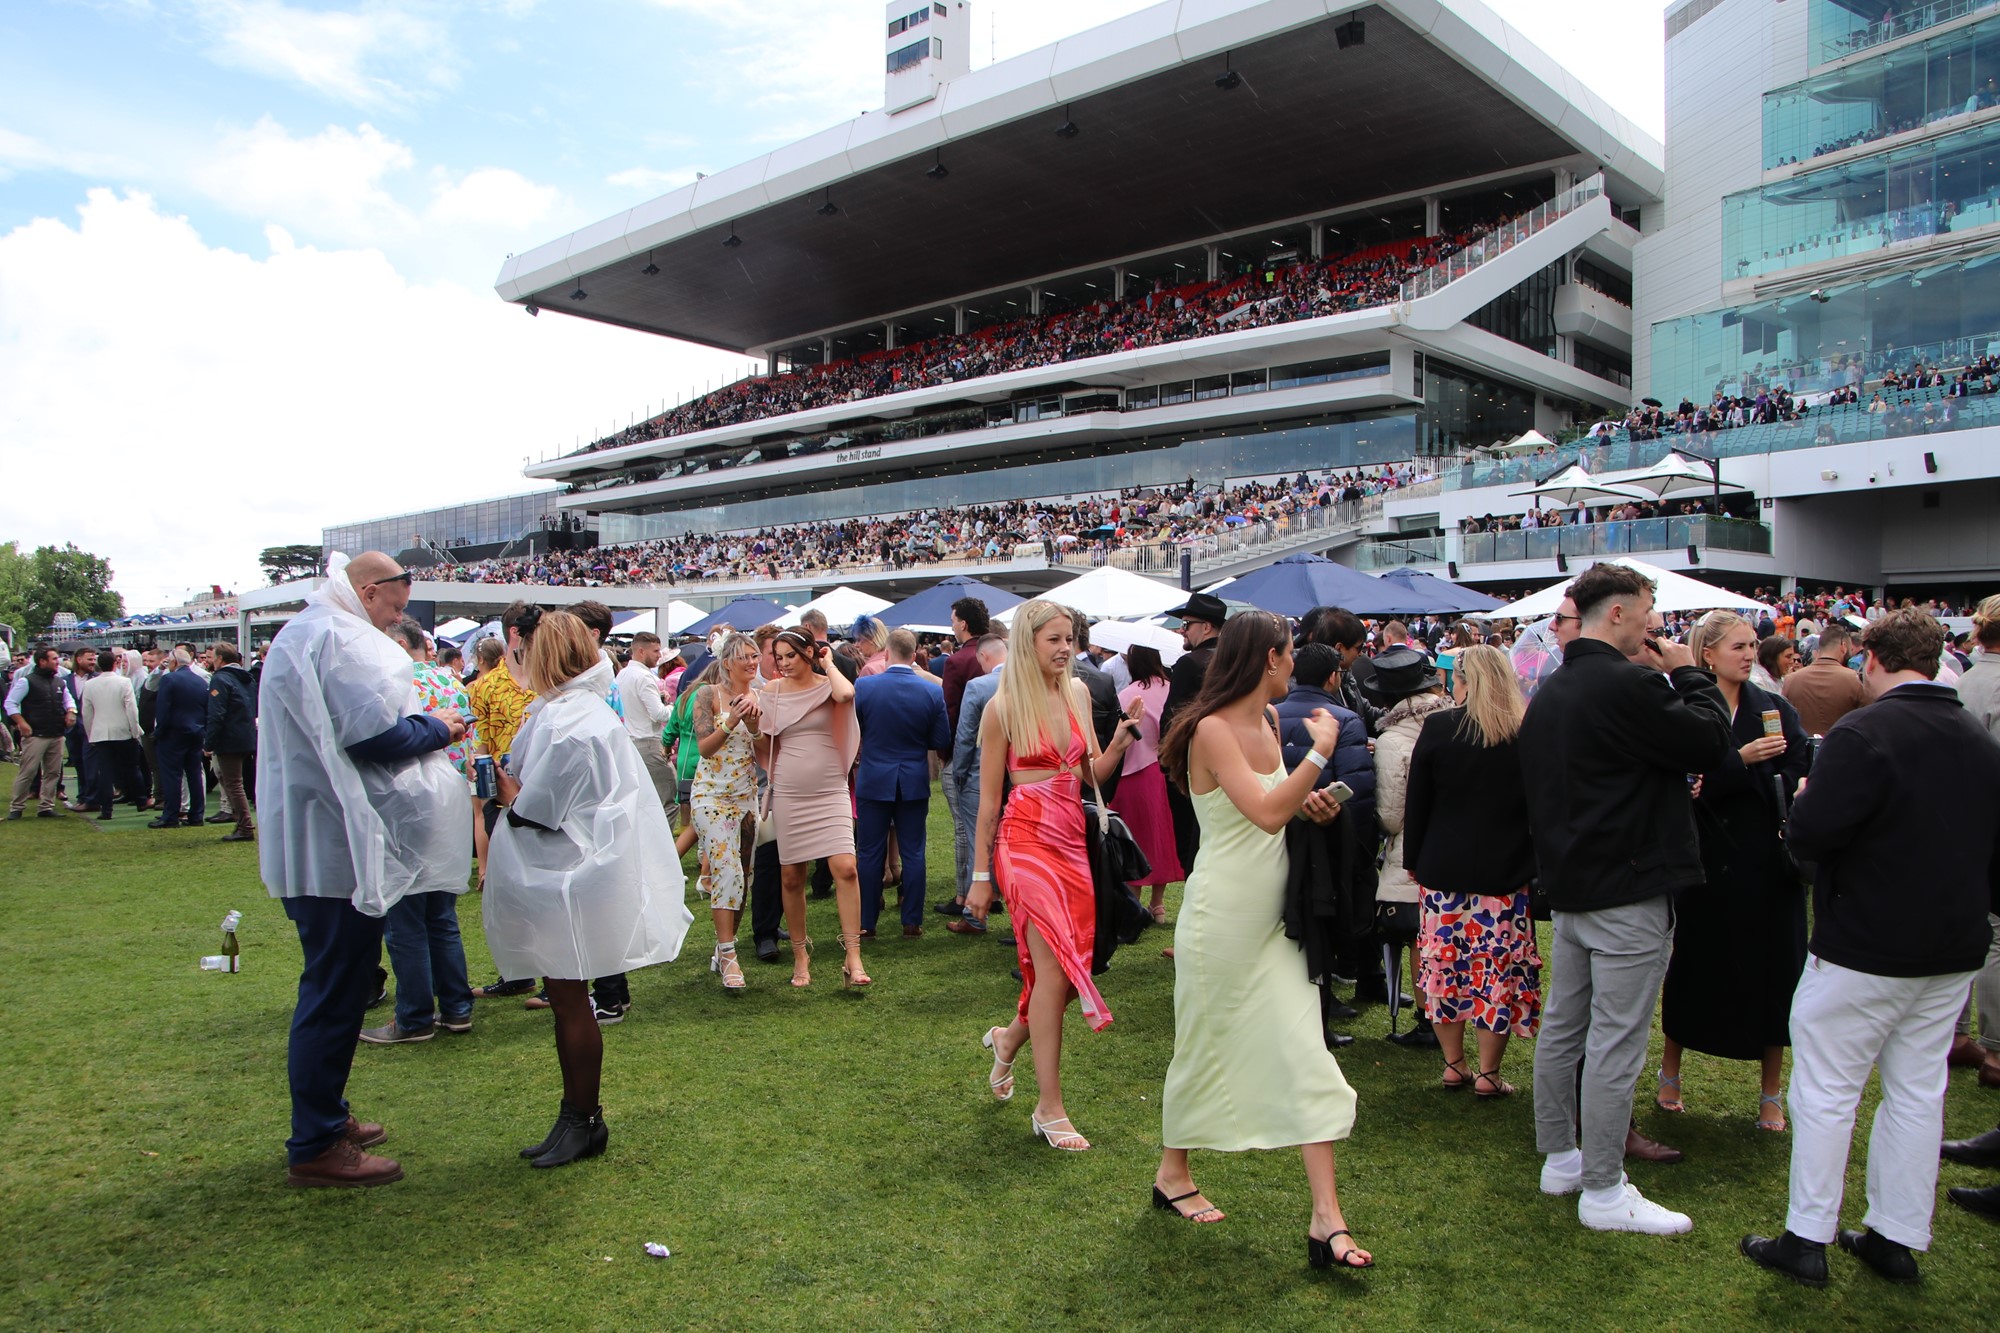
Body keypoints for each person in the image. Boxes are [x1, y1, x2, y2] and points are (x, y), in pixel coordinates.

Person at [1742, 609, 2000, 1288]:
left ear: (1872, 658)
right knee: (1918, 1090)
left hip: (1869, 942)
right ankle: (1895, 1234)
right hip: (1951, 946)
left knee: (1828, 1089)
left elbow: (1811, 836)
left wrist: (1802, 801)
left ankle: (1809, 1236)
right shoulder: (1976, 737)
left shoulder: (1867, 731)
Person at [1517, 562, 1734, 1235]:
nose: (1654, 624)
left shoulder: (1552, 689)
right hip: (1627, 886)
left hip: (1580, 884)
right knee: (1612, 1040)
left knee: (1567, 1026)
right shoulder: (1628, 682)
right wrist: (1687, 670)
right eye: (1646, 610)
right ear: (1616, 614)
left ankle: (1563, 1156)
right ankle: (1604, 1189)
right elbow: (1711, 738)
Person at [1152, 610, 1370, 1270]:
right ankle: (1172, 1172)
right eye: (1289, 654)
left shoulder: (1272, 723)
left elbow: (1281, 809)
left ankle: (1327, 1219)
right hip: (1221, 921)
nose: (1294, 664)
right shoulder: (1213, 729)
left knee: (1305, 1050)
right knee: (1203, 1044)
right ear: (1268, 660)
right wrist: (1321, 756)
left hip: (1276, 922)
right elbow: (1266, 810)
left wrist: (1316, 799)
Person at [257, 552, 468, 1187]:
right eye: (397, 608)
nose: (396, 620)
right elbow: (372, 738)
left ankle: (326, 1116)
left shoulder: (315, 631)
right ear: (369, 591)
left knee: (340, 983)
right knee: (335, 987)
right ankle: (316, 1141)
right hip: (333, 845)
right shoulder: (332, 635)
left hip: (328, 837)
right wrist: (439, 727)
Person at [484, 611, 692, 1168]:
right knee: (566, 999)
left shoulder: (568, 719)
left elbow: (538, 808)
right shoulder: (576, 710)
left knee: (571, 1001)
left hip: (568, 873)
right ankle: (575, 1116)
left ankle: (584, 1119)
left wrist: (505, 793)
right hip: (574, 868)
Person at [968, 599, 1135, 1152]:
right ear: (1027, 643)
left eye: (1070, 638)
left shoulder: (1080, 693)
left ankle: (1008, 1037)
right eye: (1054, 640)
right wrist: (979, 875)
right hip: (1024, 841)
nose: (1066, 649)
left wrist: (1118, 742)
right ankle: (1050, 1106)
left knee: (1068, 967)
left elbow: (1093, 780)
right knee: (1053, 968)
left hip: (1072, 840)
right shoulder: (1002, 707)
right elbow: (989, 802)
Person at [1657, 611, 1812, 1128]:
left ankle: (1771, 1091)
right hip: (1705, 863)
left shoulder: (1774, 707)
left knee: (1775, 972)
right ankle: (1670, 1071)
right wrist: (1738, 762)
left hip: (1767, 862)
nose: (1750, 653)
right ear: (1708, 654)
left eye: (1752, 645)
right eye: (1739, 646)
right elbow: (1684, 781)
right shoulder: (1688, 709)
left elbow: (1795, 770)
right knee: (1695, 964)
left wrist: (1747, 776)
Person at [1404, 644, 1540, 1096]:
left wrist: (1414, 862)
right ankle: (1487, 1072)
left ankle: (1454, 1064)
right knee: (1495, 972)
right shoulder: (1524, 732)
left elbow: (1417, 802)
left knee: (1444, 968)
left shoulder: (1440, 727)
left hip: (1442, 869)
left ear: (1462, 681)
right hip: (1505, 874)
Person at [358, 616, 478, 1045]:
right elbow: (466, 734)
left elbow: (378, 739)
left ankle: (414, 1016)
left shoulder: (387, 681)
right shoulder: (450, 681)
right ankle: (456, 1006)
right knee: (440, 914)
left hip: (403, 799)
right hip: (448, 796)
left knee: (405, 915)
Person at [758, 627, 868, 988]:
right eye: (780, 657)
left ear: (809, 652)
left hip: (829, 788)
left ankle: (853, 955)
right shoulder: (771, 693)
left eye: (792, 655)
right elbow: (761, 739)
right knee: (792, 876)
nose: (785, 663)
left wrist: (829, 662)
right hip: (789, 790)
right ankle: (801, 956)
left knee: (846, 867)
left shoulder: (829, 686)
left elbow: (847, 692)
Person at [1368, 645, 1458, 1048]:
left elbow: (1391, 814)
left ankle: (1428, 1020)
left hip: (1413, 850)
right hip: (1458, 842)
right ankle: (1451, 1015)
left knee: (1420, 939)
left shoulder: (1393, 738)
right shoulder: (1455, 720)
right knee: (1449, 936)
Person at [854, 628, 950, 936]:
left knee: (869, 852)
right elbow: (940, 739)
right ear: (915, 653)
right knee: (913, 851)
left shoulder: (866, 686)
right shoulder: (931, 691)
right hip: (912, 777)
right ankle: (912, 920)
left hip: (874, 777)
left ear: (887, 651)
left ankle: (867, 922)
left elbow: (855, 729)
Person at [467, 603, 541, 1001]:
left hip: (546, 796)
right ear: (516, 634)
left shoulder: (550, 680)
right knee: (510, 891)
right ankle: (518, 970)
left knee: (545, 886)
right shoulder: (485, 687)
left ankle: (556, 977)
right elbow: (478, 744)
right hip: (504, 799)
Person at [690, 631, 762, 991]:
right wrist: (732, 720)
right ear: (727, 661)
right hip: (711, 796)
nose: (752, 662)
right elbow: (705, 748)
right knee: (728, 870)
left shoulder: (761, 697)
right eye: (745, 656)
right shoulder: (708, 695)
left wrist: (755, 726)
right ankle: (730, 954)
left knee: (744, 877)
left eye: (755, 656)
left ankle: (724, 945)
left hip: (747, 797)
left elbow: (763, 756)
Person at [1949, 594, 2000, 1084]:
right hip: (1989, 819)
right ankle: (1997, 1051)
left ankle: (1959, 1033)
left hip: (1958, 819)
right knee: (1995, 933)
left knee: (1972, 923)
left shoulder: (1963, 679)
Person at [1112, 644, 1184, 922]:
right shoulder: (1173, 688)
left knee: (1136, 838)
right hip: (1168, 770)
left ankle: (1135, 903)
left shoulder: (1127, 695)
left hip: (1135, 773)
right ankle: (1159, 904)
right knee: (1163, 836)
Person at [944, 633, 1010, 932]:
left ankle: (974, 916)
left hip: (980, 777)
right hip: (1021, 779)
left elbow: (965, 735)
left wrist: (958, 772)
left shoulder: (979, 686)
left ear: (983, 658)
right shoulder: (1027, 685)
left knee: (978, 843)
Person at [1160, 592, 1227, 871]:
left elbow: (1171, 719)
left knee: (1192, 844)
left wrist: (1167, 764)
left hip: (1190, 767)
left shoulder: (1190, 663)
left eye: (1186, 624)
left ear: (1206, 627)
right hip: (1229, 766)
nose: (1181, 630)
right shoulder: (1235, 660)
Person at [940, 596, 992, 913]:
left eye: (953, 619)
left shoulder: (958, 661)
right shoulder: (997, 654)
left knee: (964, 827)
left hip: (967, 753)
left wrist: (947, 757)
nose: (951, 624)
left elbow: (950, 713)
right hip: (999, 754)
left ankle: (965, 896)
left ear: (962, 624)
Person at [6, 646, 73, 819]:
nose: (57, 662)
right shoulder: (27, 681)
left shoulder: (60, 682)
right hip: (35, 734)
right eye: (54, 659)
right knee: (28, 772)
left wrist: (71, 711)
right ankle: (16, 807)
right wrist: (21, 722)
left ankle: (46, 806)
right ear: (42, 661)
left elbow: (68, 700)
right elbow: (10, 703)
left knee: (52, 773)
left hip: (56, 733)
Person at [203, 641, 259, 842]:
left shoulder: (220, 679)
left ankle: (245, 826)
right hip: (246, 735)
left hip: (229, 738)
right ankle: (242, 823)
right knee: (234, 781)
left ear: (219, 659)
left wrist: (209, 742)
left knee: (233, 783)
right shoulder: (246, 678)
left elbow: (216, 713)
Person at [150, 648, 210, 829]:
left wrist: (159, 732)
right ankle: (197, 814)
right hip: (196, 732)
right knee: (194, 774)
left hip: (173, 734)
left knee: (172, 776)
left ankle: (170, 815)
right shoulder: (200, 680)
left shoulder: (169, 679)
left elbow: (163, 710)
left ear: (174, 662)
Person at [617, 632, 676, 814]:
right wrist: (674, 707)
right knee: (668, 800)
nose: (660, 655)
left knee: (640, 801)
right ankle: (662, 842)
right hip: (648, 743)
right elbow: (659, 714)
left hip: (629, 742)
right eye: (656, 651)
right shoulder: (643, 677)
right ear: (641, 651)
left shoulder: (622, 674)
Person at [80, 654, 144, 821]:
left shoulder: (90, 685)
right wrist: (134, 730)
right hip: (123, 730)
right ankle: (141, 800)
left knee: (105, 772)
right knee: (132, 767)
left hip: (101, 732)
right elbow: (131, 708)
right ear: (115, 663)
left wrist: (90, 734)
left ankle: (106, 810)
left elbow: (86, 712)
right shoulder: (124, 682)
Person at [1781, 621, 1865, 736]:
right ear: (1844, 647)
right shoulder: (1855, 680)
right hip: (1841, 748)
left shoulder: (1790, 680)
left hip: (1802, 749)